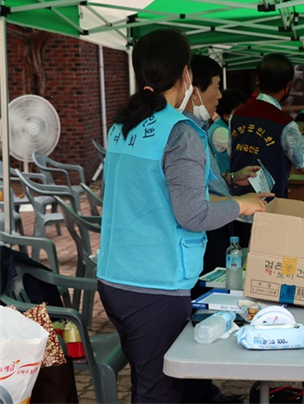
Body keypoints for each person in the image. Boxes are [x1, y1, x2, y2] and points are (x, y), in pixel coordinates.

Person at [97, 29, 267, 403]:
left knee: (150, 379)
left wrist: (227, 187)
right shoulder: (180, 131)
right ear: (185, 74)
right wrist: (243, 204)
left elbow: (147, 191)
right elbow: (192, 214)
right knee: (159, 391)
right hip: (153, 285)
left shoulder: (122, 126)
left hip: (115, 278)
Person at [183, 56, 262, 284]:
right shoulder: (184, 133)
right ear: (195, 91)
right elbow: (192, 198)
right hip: (206, 226)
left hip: (219, 219)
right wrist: (241, 203)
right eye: (217, 87)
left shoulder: (199, 128)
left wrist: (232, 178)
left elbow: (204, 180)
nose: (220, 95)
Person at [229, 53, 304, 246]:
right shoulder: (284, 123)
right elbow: (303, 163)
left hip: (236, 206)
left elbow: (232, 152)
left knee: (239, 255)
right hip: (269, 209)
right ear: (288, 85)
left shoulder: (237, 115)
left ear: (259, 79)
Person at [210, 88, 247, 175]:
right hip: (224, 179)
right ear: (226, 116)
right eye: (239, 111)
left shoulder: (230, 125)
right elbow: (244, 149)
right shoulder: (219, 131)